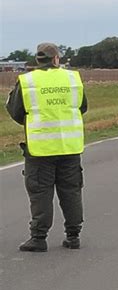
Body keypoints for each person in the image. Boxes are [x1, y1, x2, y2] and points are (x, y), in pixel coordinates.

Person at [6, 43, 88, 251]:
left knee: (40, 193)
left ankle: (39, 237)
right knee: (71, 191)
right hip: (70, 146)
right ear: (56, 59)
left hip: (40, 149)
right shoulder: (72, 79)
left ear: (38, 60)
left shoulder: (28, 81)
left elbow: (16, 111)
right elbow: (82, 107)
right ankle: (73, 236)